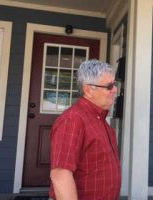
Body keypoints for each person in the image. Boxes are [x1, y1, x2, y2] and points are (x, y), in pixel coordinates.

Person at [49, 59, 121, 200]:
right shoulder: (73, 120)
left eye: (115, 84)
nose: (115, 89)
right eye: (109, 86)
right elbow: (60, 175)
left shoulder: (99, 120)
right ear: (88, 90)